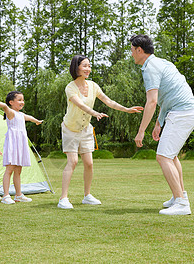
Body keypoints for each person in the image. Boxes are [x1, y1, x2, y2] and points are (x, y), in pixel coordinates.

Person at [58, 55, 144, 209]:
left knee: (89, 163)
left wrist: (126, 109)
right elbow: (80, 105)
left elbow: (108, 101)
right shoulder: (70, 87)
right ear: (76, 67)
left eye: (89, 66)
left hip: (85, 129)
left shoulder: (93, 86)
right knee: (73, 161)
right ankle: (63, 198)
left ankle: (87, 196)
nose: (88, 69)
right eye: (85, 66)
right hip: (70, 128)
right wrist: (95, 113)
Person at [130, 34, 194, 215]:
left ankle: (182, 205)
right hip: (183, 111)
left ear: (139, 50)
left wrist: (141, 131)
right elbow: (166, 98)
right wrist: (159, 123)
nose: (131, 54)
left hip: (182, 113)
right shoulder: (161, 63)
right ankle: (179, 196)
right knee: (171, 155)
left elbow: (151, 102)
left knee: (162, 156)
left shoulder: (150, 68)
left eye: (132, 49)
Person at [0, 91, 43, 205]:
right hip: (13, 144)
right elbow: (4, 107)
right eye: (19, 100)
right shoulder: (11, 113)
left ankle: (18, 195)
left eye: (22, 100)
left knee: (18, 170)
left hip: (21, 144)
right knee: (9, 169)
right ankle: (6, 195)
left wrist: (36, 121)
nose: (22, 102)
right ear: (11, 102)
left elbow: (29, 117)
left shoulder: (20, 114)